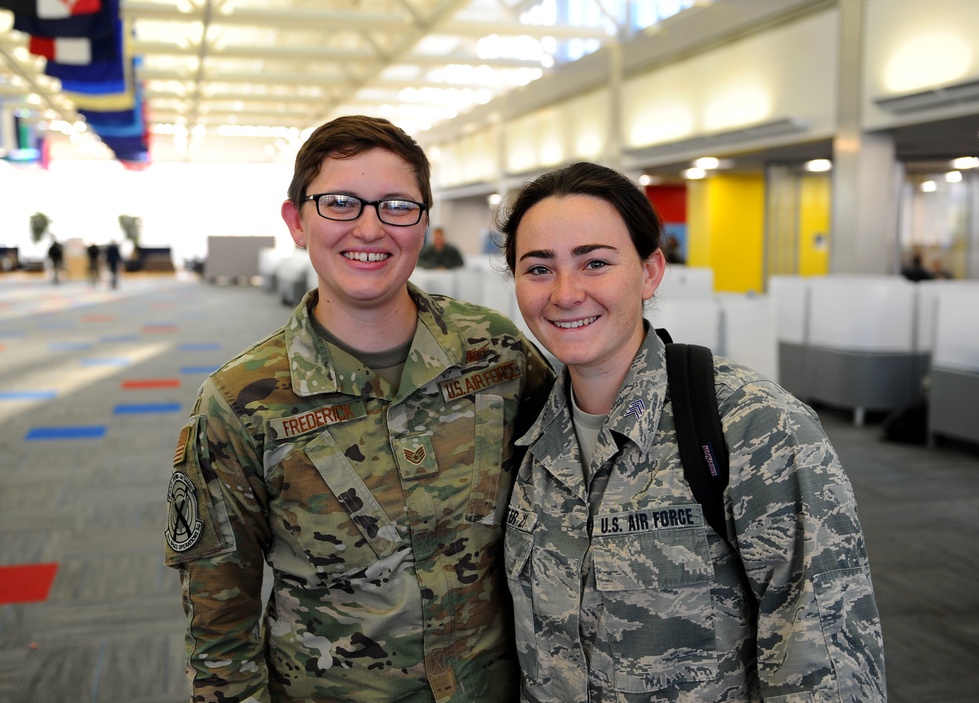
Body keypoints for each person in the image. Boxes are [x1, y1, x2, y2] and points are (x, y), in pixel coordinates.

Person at [163, 115, 554, 703]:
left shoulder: (496, 354)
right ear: (297, 222)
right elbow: (221, 620)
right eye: (340, 203)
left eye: (397, 206)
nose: (370, 229)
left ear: (424, 223)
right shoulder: (242, 402)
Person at [496, 162, 886, 702]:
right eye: (538, 268)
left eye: (596, 262)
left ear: (651, 271)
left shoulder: (751, 424)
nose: (565, 293)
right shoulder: (528, 435)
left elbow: (826, 662)